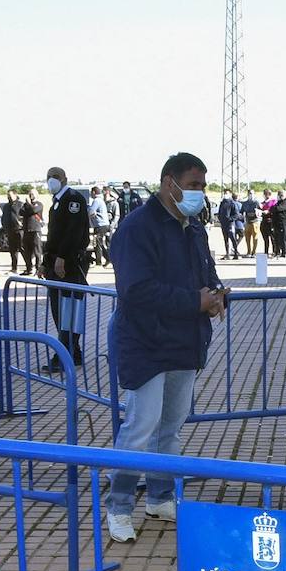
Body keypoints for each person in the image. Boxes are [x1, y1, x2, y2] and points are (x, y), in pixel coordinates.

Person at [105, 152, 227, 542]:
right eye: (193, 186)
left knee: (171, 427)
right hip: (146, 341)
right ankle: (119, 506)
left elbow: (206, 275)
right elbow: (136, 290)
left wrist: (219, 294)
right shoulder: (137, 228)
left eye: (203, 187)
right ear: (168, 182)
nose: (199, 194)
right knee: (140, 426)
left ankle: (160, 496)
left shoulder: (193, 228)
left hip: (184, 341)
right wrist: (196, 301)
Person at [42, 166, 91, 372]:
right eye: (49, 177)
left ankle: (65, 353)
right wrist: (45, 261)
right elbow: (53, 236)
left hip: (70, 264)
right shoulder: (57, 202)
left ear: (64, 179)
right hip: (56, 262)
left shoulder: (73, 199)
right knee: (59, 310)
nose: (51, 180)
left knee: (69, 309)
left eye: (55, 176)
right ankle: (73, 351)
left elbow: (73, 233)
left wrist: (61, 258)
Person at [20, 190, 43, 274]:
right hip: (26, 230)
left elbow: (33, 210)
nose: (30, 195)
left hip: (35, 230)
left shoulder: (39, 204)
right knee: (27, 251)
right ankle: (29, 268)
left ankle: (38, 269)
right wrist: (27, 205)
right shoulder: (25, 205)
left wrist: (29, 205)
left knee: (37, 251)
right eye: (29, 194)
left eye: (32, 194)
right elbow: (21, 212)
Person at [89, 185, 112, 267]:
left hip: (100, 225)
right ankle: (108, 258)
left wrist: (90, 211)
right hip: (104, 224)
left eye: (91, 193)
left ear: (93, 192)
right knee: (100, 243)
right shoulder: (100, 200)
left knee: (97, 243)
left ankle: (99, 262)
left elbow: (91, 211)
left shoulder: (97, 201)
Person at [0, 189, 23, 271]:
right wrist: (4, 226)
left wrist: (21, 223)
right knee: (13, 250)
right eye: (8, 195)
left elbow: (24, 216)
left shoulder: (20, 204)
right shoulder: (6, 206)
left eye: (10, 195)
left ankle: (29, 267)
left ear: (15, 195)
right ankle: (14, 268)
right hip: (9, 231)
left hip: (19, 230)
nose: (9, 197)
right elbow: (3, 217)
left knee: (22, 249)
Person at [217, 189, 241, 259]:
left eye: (227, 193)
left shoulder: (232, 203)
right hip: (223, 224)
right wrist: (220, 219)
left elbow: (236, 214)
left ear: (230, 194)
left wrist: (230, 219)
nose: (225, 194)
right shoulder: (222, 203)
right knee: (225, 239)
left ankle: (235, 253)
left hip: (230, 224)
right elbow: (219, 212)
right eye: (224, 193)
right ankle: (227, 254)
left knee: (233, 239)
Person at [271, 189, 286, 258]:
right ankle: (277, 252)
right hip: (276, 223)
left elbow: (278, 209)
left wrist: (274, 208)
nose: (280, 196)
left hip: (283, 223)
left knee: (283, 238)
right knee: (276, 238)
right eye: (279, 195)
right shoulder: (278, 202)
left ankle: (284, 252)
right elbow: (272, 209)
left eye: (281, 195)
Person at [241, 188, 260, 256]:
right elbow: (241, 212)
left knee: (255, 238)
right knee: (247, 238)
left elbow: (260, 211)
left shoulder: (256, 202)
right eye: (249, 194)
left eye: (252, 193)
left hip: (255, 222)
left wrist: (258, 213)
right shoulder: (245, 203)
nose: (250, 195)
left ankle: (254, 252)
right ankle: (248, 251)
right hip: (247, 222)